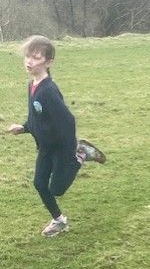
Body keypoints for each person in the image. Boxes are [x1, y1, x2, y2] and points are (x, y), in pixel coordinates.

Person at [7, 35, 106, 237]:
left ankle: (81, 154)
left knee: (57, 189)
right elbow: (36, 119)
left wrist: (69, 152)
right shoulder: (32, 85)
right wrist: (23, 128)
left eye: (36, 58)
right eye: (28, 56)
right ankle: (59, 221)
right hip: (45, 148)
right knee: (39, 184)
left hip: (61, 149)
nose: (29, 61)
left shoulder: (48, 91)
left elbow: (68, 121)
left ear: (48, 62)